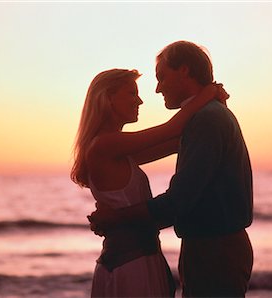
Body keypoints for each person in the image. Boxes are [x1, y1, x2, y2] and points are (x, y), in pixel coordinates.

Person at [89, 41, 254, 298]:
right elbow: (171, 139)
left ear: (184, 71)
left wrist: (117, 218)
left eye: (162, 77)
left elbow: (178, 201)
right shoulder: (205, 118)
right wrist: (208, 94)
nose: (155, 90)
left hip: (214, 250)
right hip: (208, 248)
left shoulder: (206, 119)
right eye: (132, 93)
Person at [71, 67, 228, 297]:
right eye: (131, 93)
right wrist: (207, 94)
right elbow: (171, 129)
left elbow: (180, 141)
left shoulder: (120, 151)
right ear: (108, 99)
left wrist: (217, 109)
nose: (140, 101)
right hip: (129, 267)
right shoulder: (105, 145)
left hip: (140, 259)